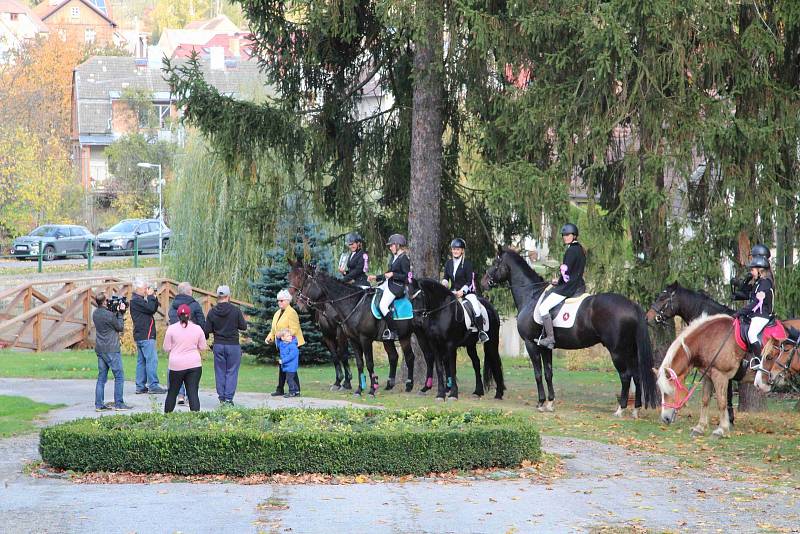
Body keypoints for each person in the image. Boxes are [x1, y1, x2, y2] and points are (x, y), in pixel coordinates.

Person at [537, 223, 586, 349]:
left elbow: (566, 273)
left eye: (567, 235)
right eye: (563, 235)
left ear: (574, 236)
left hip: (568, 288)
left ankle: (550, 338)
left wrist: (557, 281)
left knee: (543, 308)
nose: (565, 237)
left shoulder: (570, 251)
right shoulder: (580, 249)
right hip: (579, 285)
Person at [205, 285, 248, 405]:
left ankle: (222, 397)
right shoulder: (235, 310)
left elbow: (207, 329)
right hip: (233, 345)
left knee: (220, 371)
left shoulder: (212, 311)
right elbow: (243, 326)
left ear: (218, 296)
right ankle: (229, 398)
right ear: (228, 296)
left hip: (218, 345)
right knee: (232, 371)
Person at [442, 238, 490, 342]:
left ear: (462, 251)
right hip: (453, 291)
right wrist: (444, 284)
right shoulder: (448, 263)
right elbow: (446, 278)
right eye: (454, 249)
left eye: (458, 249)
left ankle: (481, 332)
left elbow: (469, 281)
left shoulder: (467, 264)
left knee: (476, 308)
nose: (455, 251)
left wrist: (462, 291)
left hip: (467, 292)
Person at [163, 303, 208, 412]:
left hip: (176, 365)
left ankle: (167, 417)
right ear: (190, 315)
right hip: (194, 365)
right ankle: (195, 418)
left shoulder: (171, 329)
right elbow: (203, 347)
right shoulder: (197, 329)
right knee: (193, 392)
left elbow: (166, 348)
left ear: (177, 316)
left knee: (172, 392)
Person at [168, 281, 207, 405]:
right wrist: (202, 335)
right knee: (192, 377)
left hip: (176, 346)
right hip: (191, 345)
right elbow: (201, 322)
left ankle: (180, 395)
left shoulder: (172, 306)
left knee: (176, 374)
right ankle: (191, 398)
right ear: (189, 292)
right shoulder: (194, 305)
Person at [92, 293, 131, 411]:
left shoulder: (95, 313)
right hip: (112, 349)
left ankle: (99, 404)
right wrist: (120, 313)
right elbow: (120, 327)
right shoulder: (109, 315)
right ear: (104, 302)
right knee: (119, 376)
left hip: (100, 349)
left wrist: (115, 312)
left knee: (101, 378)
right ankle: (119, 403)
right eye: (107, 300)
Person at [368, 233, 411, 340]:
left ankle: (393, 331)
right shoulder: (394, 258)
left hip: (397, 287)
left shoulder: (404, 258)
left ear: (398, 245)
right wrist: (375, 277)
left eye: (391, 245)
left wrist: (393, 274)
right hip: (389, 283)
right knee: (373, 292)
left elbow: (407, 277)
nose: (390, 247)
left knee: (382, 305)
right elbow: (387, 273)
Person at [265, 289, 305, 396]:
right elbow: (274, 329)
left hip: (290, 343)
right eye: (278, 300)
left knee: (290, 367)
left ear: (288, 301)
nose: (279, 303)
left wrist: (281, 335)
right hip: (282, 344)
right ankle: (280, 389)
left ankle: (295, 390)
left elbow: (294, 329)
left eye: (282, 300)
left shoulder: (292, 312)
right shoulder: (277, 313)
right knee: (283, 365)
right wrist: (270, 337)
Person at [734, 255, 775, 358]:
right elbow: (746, 291)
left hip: (762, 316)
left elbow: (756, 303)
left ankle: (759, 360)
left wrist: (741, 312)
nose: (751, 272)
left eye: (752, 270)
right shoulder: (759, 283)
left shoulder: (765, 283)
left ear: (759, 270)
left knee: (751, 334)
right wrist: (746, 280)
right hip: (756, 314)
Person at [130, 279, 166, 394]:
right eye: (145, 288)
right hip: (146, 334)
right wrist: (150, 296)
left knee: (142, 361)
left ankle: (140, 385)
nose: (146, 290)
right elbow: (150, 308)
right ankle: (153, 385)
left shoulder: (138, 300)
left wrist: (153, 297)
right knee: (151, 360)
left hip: (141, 334)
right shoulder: (136, 301)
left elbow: (152, 309)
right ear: (139, 289)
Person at [276, 328, 300, 397]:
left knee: (289, 379)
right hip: (287, 366)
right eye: (288, 336)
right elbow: (278, 343)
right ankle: (296, 391)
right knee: (291, 379)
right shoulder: (282, 344)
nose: (290, 337)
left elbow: (291, 356)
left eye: (290, 335)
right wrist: (278, 337)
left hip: (291, 366)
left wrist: (283, 361)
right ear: (283, 338)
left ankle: (292, 392)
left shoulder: (292, 345)